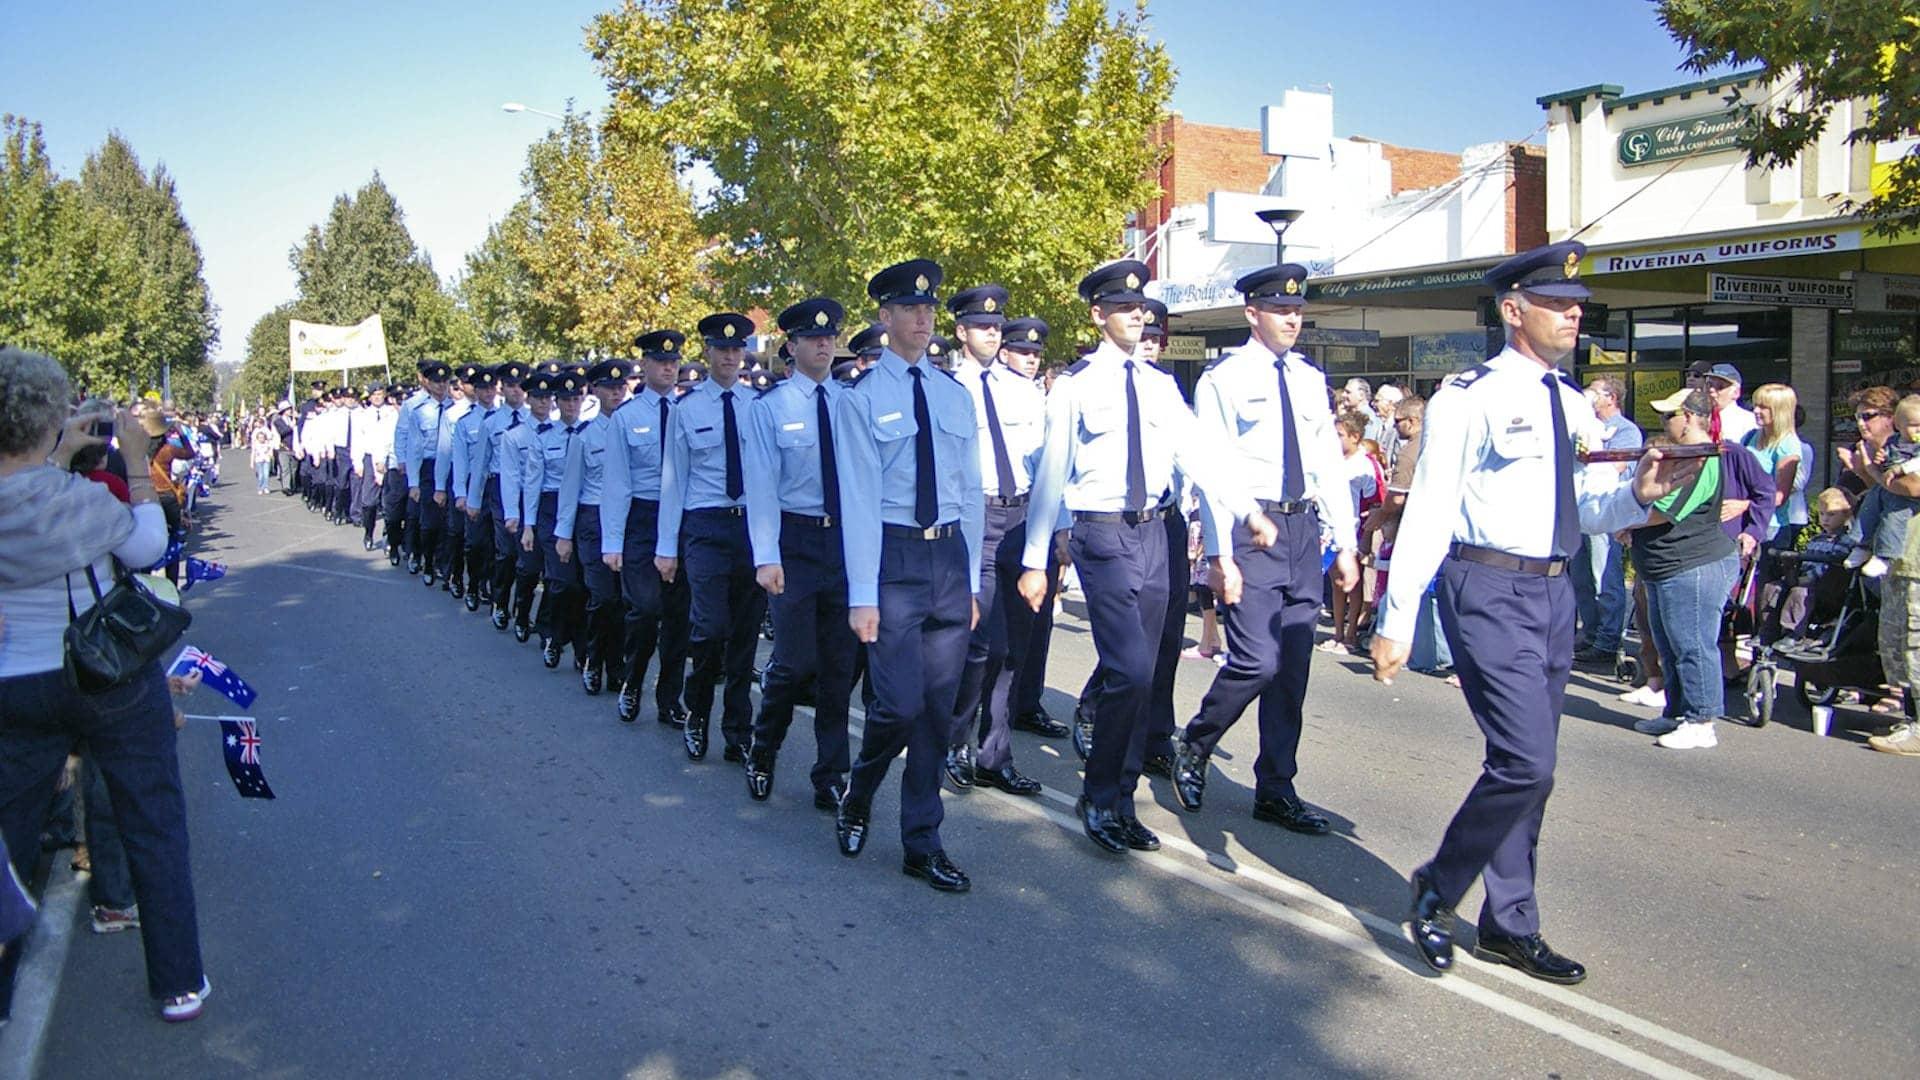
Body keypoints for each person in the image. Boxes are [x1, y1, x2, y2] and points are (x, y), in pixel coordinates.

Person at [1373, 241, 1691, 985]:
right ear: (1514, 311)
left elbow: (1584, 508)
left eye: (1577, 304)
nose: (1574, 314)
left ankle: (1510, 922)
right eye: (1556, 303)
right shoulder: (1470, 396)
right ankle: (1437, 886)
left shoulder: (1572, 401)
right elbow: (1432, 507)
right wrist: (1396, 615)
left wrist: (1639, 495)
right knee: (1525, 760)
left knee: (1531, 772)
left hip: (1554, 589)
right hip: (1487, 586)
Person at [1019, 258, 1277, 858]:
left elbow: (1202, 455)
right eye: (1122, 308)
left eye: (1140, 309)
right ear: (1098, 315)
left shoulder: (1161, 386)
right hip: (1103, 534)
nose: (1135, 316)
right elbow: (1052, 477)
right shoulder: (1076, 385)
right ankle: (1099, 794)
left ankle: (1121, 795)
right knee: (1128, 669)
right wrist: (1037, 558)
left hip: (1156, 532)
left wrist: (1245, 511)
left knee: (1151, 673)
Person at [0, 347, 209, 1022]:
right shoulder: (79, 500)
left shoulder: (41, 491)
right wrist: (131, 459)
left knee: (9, 838)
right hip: (105, 674)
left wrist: (56, 457)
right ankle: (178, 983)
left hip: (15, 683)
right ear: (51, 420)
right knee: (153, 819)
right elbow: (148, 548)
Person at [1171, 262, 1358, 834]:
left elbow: (1327, 464)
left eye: (1298, 311)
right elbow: (1210, 469)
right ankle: (1197, 742)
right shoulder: (1222, 379)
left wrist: (1346, 543)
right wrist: (1220, 555)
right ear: (1253, 314)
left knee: (1292, 671)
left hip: (1303, 533)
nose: (1292, 320)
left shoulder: (1306, 377)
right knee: (1257, 661)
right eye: (1280, 310)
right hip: (1253, 531)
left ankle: (1276, 786)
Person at [832, 259, 984, 892]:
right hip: (892, 560)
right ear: (885, 318)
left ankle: (922, 841)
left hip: (947, 559)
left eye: (929, 308)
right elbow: (860, 503)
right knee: (895, 707)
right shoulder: (861, 398)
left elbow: (970, 491)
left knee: (937, 715)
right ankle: (860, 786)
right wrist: (862, 595)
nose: (923, 317)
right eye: (909, 308)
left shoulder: (954, 394)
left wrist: (971, 579)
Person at [742, 298, 857, 808]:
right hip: (794, 541)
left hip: (844, 542)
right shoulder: (772, 408)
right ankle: (763, 748)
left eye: (830, 336)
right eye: (812, 338)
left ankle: (830, 773)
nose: (824, 344)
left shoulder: (851, 403)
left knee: (838, 666)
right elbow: (762, 486)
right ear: (790, 346)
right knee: (792, 662)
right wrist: (766, 555)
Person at [941, 285, 1047, 797]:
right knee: (980, 643)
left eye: (997, 325)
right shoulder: (944, 389)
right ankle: (954, 740)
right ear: (961, 332)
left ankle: (994, 754)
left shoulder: (1024, 390)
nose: (992, 332)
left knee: (1013, 649)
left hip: (1021, 518)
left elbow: (1045, 464)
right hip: (974, 519)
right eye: (982, 325)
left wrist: (1055, 533)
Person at [657, 312, 769, 763]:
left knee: (745, 636)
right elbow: (673, 482)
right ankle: (698, 711)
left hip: (750, 526)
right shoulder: (686, 409)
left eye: (736, 349)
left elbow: (769, 475)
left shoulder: (758, 406)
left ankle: (737, 729)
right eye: (721, 349)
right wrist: (667, 547)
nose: (729, 356)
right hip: (704, 526)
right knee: (710, 628)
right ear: (707, 352)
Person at [1625, 391, 1742, 751]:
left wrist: (1625, 519)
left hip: (1692, 564)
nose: (1663, 423)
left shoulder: (1703, 458)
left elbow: (1666, 509)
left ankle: (1702, 719)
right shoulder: (1685, 455)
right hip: (1665, 565)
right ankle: (1677, 711)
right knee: (1669, 643)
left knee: (1692, 644)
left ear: (1689, 417)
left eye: (1668, 416)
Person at [604, 335, 691, 727]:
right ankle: (633, 679)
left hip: (684, 517)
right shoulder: (626, 417)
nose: (668, 368)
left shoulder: (688, 409)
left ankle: (670, 697)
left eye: (673, 361)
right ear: (645, 365)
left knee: (678, 616)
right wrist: (612, 541)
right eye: (660, 361)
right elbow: (617, 483)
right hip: (642, 518)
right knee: (645, 610)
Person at [556, 361, 633, 693]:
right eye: (608, 387)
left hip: (631, 521)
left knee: (625, 601)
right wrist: (563, 534)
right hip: (594, 520)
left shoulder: (636, 426)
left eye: (621, 387)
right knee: (602, 597)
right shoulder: (584, 436)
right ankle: (593, 658)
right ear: (596, 391)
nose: (616, 392)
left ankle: (617, 666)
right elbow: (570, 488)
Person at [1570, 376, 1642, 664]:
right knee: (1581, 578)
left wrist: (1593, 449)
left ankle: (1608, 640)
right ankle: (1589, 633)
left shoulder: (1627, 431)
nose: (1590, 398)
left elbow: (1616, 466)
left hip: (1606, 509)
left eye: (1595, 393)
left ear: (1611, 397)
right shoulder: (1585, 427)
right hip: (1581, 508)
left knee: (1604, 578)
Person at [476, 362, 532, 629]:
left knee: (529, 558)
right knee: (507, 551)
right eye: (510, 385)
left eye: (521, 385)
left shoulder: (538, 420)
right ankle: (500, 601)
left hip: (532, 490)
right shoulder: (492, 422)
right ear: (502, 388)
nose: (516, 391)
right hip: (500, 488)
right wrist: (472, 499)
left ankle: (523, 610)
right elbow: (480, 464)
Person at [1843, 394, 1920, 577]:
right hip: (1886, 491)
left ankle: (1885, 556)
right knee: (1871, 504)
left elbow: (1913, 487)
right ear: (1898, 424)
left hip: (1907, 508)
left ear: (1888, 418)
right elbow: (1883, 478)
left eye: (1868, 416)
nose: (1861, 423)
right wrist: (1877, 463)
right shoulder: (1893, 443)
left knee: (1894, 513)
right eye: (1857, 417)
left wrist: (1885, 471)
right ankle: (1861, 544)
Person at [1319, 412, 1375, 656]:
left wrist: (1365, 535)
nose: (1335, 439)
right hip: (1329, 529)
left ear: (1355, 437)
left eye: (1340, 435)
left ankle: (1351, 633)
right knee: (1335, 583)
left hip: (1353, 529)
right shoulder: (1333, 461)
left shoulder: (1363, 464)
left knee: (1353, 584)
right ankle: (1338, 632)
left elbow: (1373, 500)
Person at [1741, 382, 1806, 547]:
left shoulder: (1788, 445)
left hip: (1770, 527)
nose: (1755, 411)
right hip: (1744, 522)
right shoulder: (1750, 437)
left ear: (1780, 411)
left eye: (1763, 407)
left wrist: (1742, 505)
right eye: (1755, 405)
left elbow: (1779, 497)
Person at [1698, 363, 1756, 445]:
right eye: (1709, 385)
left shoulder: (1749, 422)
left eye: (1720, 387)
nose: (1711, 389)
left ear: (1736, 393)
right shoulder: (1696, 419)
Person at [249, 419, 278, 495]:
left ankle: (265, 487)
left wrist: (270, 454)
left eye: (262, 438)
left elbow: (270, 447)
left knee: (266, 474)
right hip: (259, 460)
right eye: (260, 438)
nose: (261, 439)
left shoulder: (266, 441)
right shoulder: (256, 443)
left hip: (266, 460)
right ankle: (260, 487)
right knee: (261, 475)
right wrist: (251, 463)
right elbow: (253, 453)